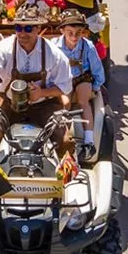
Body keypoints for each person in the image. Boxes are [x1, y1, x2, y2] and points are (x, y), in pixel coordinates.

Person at [0, 3, 74, 160]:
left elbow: (65, 86)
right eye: (19, 28)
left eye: (28, 28)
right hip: (8, 102)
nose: (22, 33)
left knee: (66, 141)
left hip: (44, 105)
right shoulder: (3, 49)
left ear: (38, 29)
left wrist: (42, 93)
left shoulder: (54, 54)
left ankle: (66, 180)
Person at [50, 9, 104, 153]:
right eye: (70, 33)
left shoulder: (87, 46)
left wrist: (96, 87)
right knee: (65, 103)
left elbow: (97, 69)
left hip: (81, 78)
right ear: (62, 31)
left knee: (83, 101)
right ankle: (63, 137)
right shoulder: (54, 46)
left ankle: (89, 140)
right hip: (63, 79)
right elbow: (49, 68)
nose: (74, 37)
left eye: (78, 33)